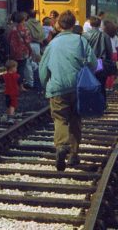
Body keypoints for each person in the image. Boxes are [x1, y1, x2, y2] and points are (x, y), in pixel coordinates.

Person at [38, 10, 97, 171]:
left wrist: (46, 86)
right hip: (78, 88)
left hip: (57, 87)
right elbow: (93, 63)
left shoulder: (52, 44)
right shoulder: (81, 41)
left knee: (60, 118)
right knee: (76, 119)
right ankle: (74, 154)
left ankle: (61, 146)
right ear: (74, 25)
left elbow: (43, 68)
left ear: (58, 25)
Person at [83, 17, 116, 98]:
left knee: (89, 84)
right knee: (101, 85)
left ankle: (91, 104)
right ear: (99, 24)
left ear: (90, 24)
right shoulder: (105, 36)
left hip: (88, 63)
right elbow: (109, 51)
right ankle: (102, 104)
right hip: (101, 63)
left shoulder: (84, 35)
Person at [8, 12, 34, 89]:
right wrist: (30, 50)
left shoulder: (13, 29)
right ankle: (21, 86)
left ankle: (13, 85)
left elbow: (9, 39)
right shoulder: (25, 29)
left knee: (13, 69)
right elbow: (27, 41)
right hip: (23, 52)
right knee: (21, 69)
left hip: (14, 52)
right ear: (23, 20)